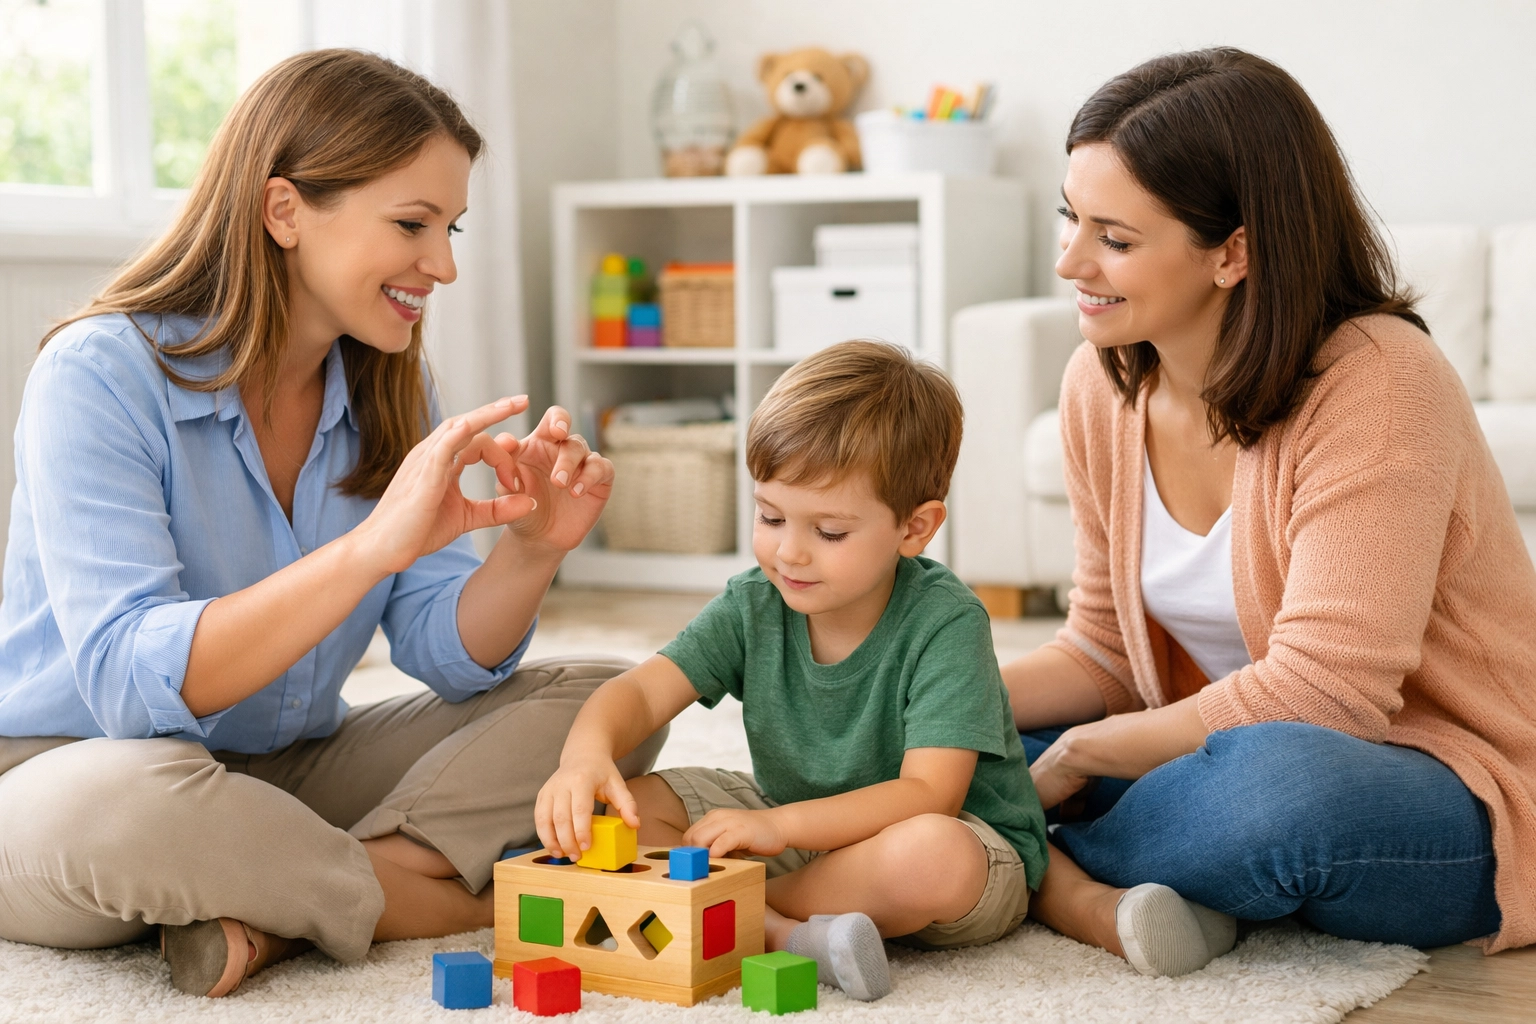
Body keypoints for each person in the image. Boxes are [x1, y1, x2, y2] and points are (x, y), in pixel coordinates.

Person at [0, 49, 662, 997]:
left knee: (607, 703)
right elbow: (127, 690)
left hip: (285, 771)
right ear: (284, 211)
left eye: (450, 228)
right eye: (412, 224)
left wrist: (530, 550)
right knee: (132, 810)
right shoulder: (97, 374)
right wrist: (365, 551)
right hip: (75, 775)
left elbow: (443, 651)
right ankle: (442, 896)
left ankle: (276, 897)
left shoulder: (389, 385)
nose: (443, 265)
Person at [1007, 47, 1536, 977]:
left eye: (1114, 239)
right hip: (1204, 751)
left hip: (1440, 782)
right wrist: (934, 696)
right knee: (952, 737)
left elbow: (1325, 696)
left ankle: (1013, 861)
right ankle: (1089, 872)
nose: (1069, 263)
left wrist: (1085, 754)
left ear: (1233, 252)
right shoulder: (1103, 380)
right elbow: (1103, 650)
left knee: (1277, 794)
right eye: (1069, 218)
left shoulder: (1378, 382)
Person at [535, 341, 1049, 1000]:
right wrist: (584, 755)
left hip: (952, 854)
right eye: (770, 516)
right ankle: (781, 930)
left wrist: (776, 831)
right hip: (802, 827)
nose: (790, 552)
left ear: (914, 529)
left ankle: (738, 912)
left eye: (829, 532)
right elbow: (641, 691)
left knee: (933, 854)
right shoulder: (755, 601)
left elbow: (930, 795)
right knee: (635, 807)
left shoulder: (947, 620)